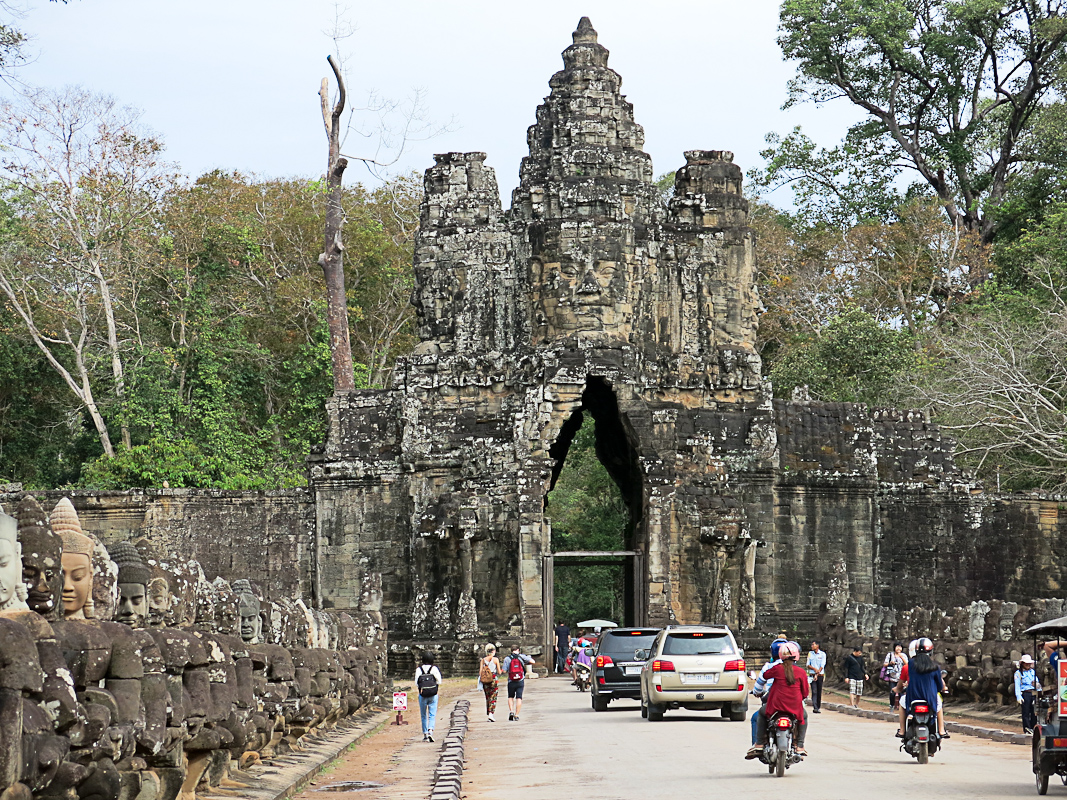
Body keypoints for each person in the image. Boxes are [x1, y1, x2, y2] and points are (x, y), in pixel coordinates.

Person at [747, 641, 809, 759]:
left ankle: (759, 743)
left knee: (761, 713)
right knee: (804, 716)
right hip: (794, 707)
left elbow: (764, 676)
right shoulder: (801, 672)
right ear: (797, 655)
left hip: (776, 706)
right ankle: (800, 745)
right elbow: (805, 693)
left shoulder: (777, 669)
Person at [894, 637, 949, 739]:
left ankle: (902, 730)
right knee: (939, 705)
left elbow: (904, 680)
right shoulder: (935, 666)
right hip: (930, 697)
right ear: (931, 651)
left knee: (902, 703)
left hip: (913, 697)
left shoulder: (910, 664)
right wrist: (941, 688)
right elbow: (940, 685)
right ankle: (941, 730)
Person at [750, 638, 788, 744]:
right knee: (801, 718)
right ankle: (798, 745)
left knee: (756, 717)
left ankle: (757, 744)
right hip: (791, 704)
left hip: (773, 703)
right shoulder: (796, 668)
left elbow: (759, 684)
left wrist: (757, 692)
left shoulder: (769, 667)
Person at [415, 652, 443, 742]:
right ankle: (430, 730)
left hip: (422, 694)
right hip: (433, 694)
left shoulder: (419, 670)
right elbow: (439, 681)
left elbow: (416, 683)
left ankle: (425, 733)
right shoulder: (434, 668)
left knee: (423, 715)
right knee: (432, 714)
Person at [502, 644, 534, 721]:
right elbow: (533, 661)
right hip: (520, 680)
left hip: (511, 680)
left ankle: (511, 711)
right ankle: (517, 715)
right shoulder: (521, 657)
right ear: (518, 650)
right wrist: (525, 663)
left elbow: (504, 670)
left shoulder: (507, 659)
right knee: (519, 697)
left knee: (510, 697)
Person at [1015, 654, 1041, 734]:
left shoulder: (1032, 672)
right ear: (1022, 663)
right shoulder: (1018, 673)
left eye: (1029, 663)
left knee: (1034, 712)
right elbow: (1017, 685)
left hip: (1033, 693)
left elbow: (1038, 683)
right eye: (1026, 663)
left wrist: (1038, 688)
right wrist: (1019, 696)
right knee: (1026, 712)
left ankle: (1033, 728)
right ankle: (1027, 729)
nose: (1028, 665)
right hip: (1025, 694)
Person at [478, 644, 501, 722]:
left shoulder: (483, 660)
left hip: (485, 680)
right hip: (493, 678)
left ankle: (489, 713)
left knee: (488, 697)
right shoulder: (495, 660)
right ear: (493, 651)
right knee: (493, 696)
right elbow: (499, 671)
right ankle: (491, 714)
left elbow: (480, 672)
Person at [882, 642, 907, 710]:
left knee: (901, 693)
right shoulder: (890, 654)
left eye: (900, 647)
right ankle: (892, 705)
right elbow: (885, 664)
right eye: (897, 647)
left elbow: (907, 664)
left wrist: (901, 657)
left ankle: (901, 706)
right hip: (892, 677)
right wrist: (890, 663)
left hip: (901, 677)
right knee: (892, 692)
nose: (898, 648)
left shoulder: (904, 655)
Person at [806, 641, 826, 713]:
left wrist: (817, 673)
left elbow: (822, 665)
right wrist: (814, 669)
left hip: (820, 675)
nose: (812, 646)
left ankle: (818, 705)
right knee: (814, 691)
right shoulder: (810, 654)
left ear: (817, 646)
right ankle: (815, 707)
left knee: (819, 691)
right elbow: (808, 664)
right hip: (812, 675)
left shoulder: (822, 654)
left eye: (813, 645)